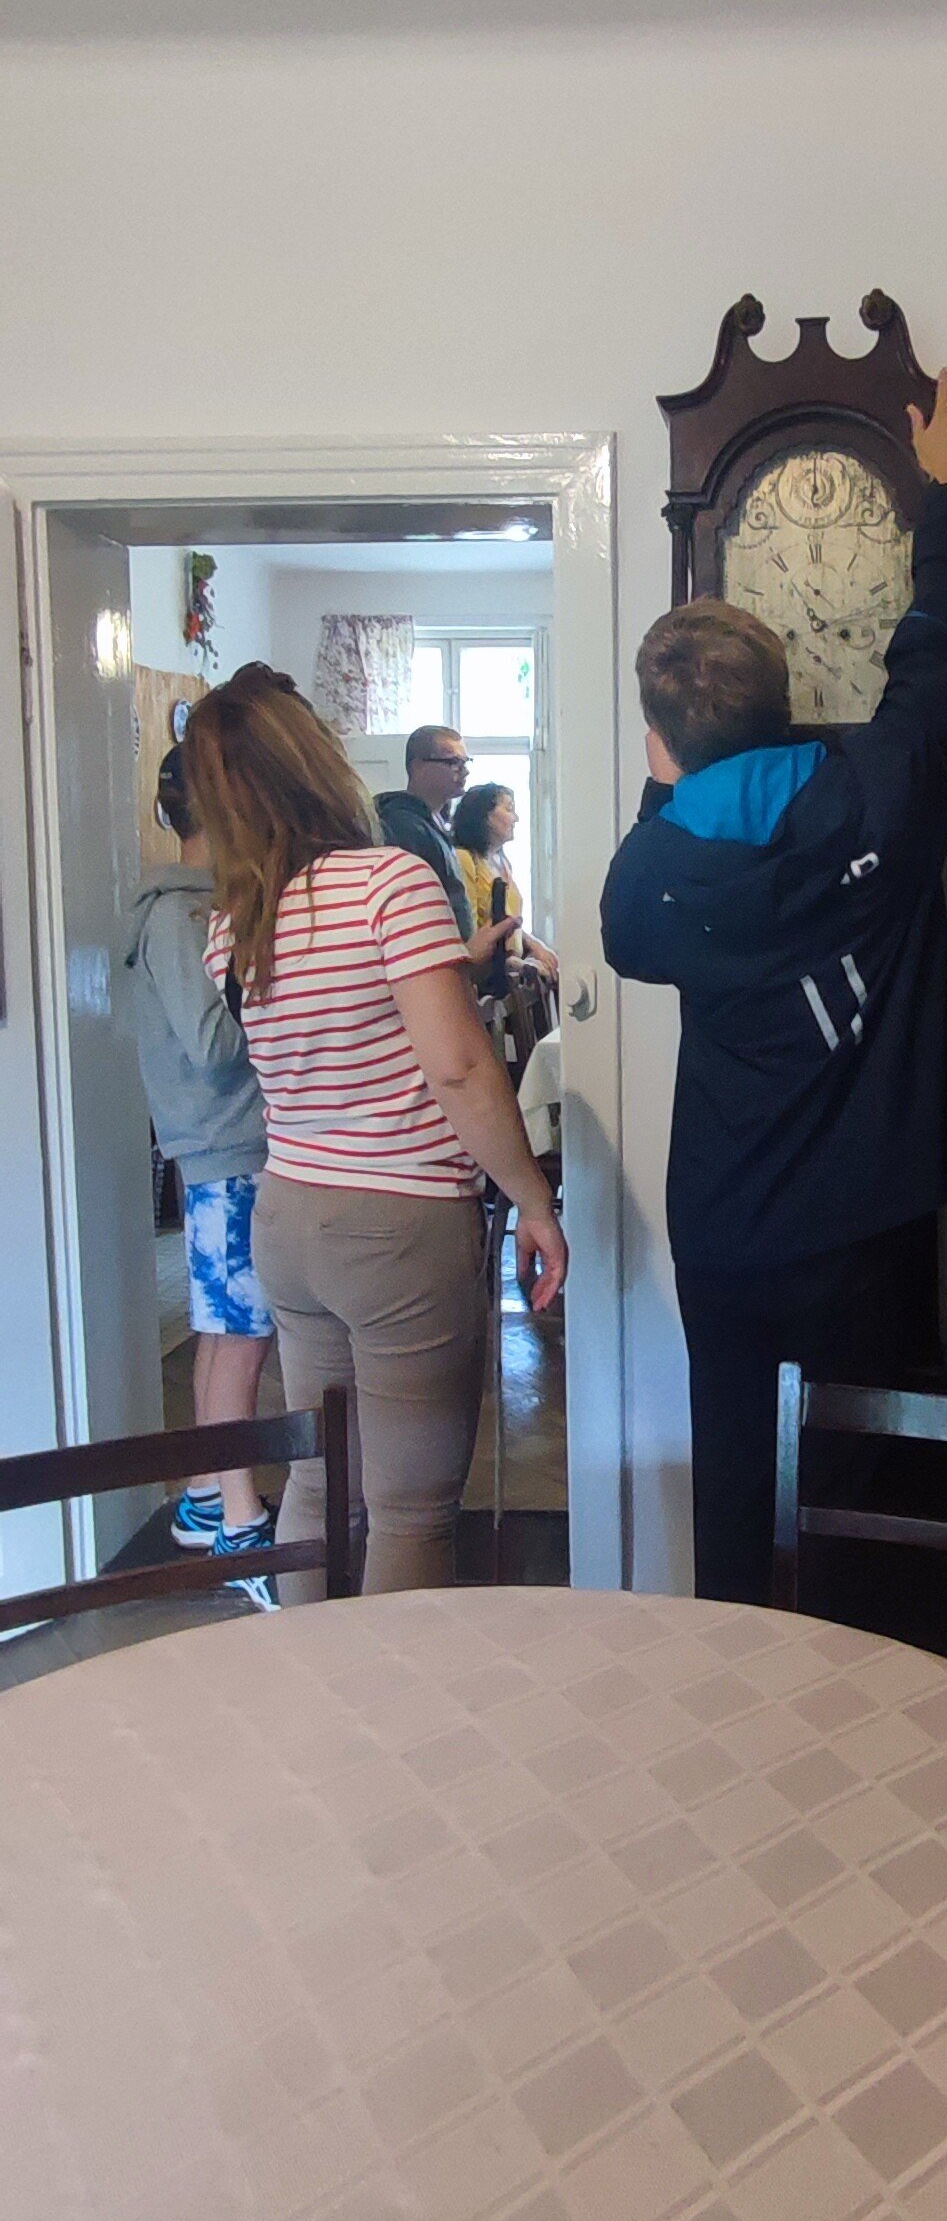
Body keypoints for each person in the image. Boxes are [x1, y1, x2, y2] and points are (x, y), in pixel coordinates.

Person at [601, 368, 947, 1604]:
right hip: (866, 1228)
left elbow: (631, 931)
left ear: (661, 744)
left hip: (727, 1234)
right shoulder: (880, 797)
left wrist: (670, 789)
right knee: (868, 1489)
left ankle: (743, 1678)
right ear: (788, 703)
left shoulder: (651, 879)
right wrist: (945, 493)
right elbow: (946, 654)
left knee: (738, 1478)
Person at [184, 667, 567, 1595]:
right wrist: (533, 1200)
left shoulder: (235, 922)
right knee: (410, 1511)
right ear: (317, 762)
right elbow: (459, 1067)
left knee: (321, 1489)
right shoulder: (390, 882)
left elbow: (332, 1035)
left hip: (290, 1217)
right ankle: (395, 1693)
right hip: (397, 1223)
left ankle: (311, 1678)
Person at [124, 743, 276, 1558]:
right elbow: (214, 1045)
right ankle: (241, 1520)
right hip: (229, 1146)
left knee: (223, 1331)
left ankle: (208, 1496)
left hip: (222, 1147)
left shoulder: (192, 909)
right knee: (241, 1334)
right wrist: (276, 988)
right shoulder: (183, 918)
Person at [376, 725, 508, 982]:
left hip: (453, 965)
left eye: (466, 762)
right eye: (453, 762)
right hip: (425, 972)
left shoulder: (434, 824)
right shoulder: (403, 825)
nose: (464, 771)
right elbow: (411, 914)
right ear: (418, 766)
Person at [452, 782, 559, 992]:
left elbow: (508, 920)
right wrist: (511, 962)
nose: (515, 818)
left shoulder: (503, 862)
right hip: (485, 980)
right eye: (509, 809)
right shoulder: (465, 859)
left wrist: (534, 944)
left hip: (510, 975)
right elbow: (470, 932)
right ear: (485, 816)